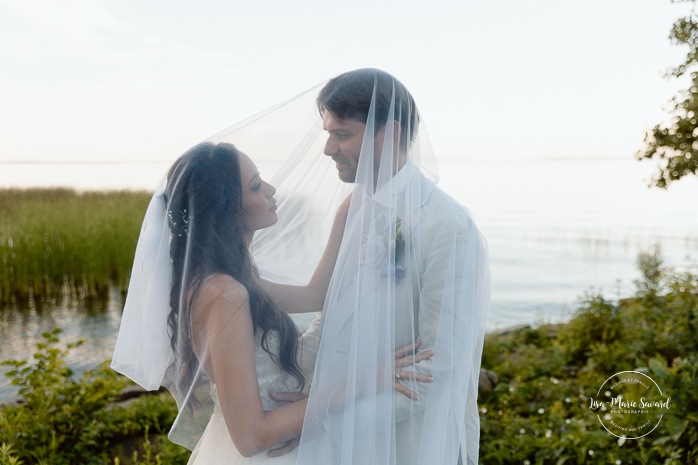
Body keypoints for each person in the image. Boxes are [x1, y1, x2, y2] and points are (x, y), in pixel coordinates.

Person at [110, 138, 430, 463]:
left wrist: (347, 212)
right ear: (226, 209)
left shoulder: (232, 278)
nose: (271, 189)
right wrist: (364, 381)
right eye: (255, 186)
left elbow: (315, 294)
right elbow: (250, 437)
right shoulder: (224, 294)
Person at [265, 69, 490, 465]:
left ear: (391, 134)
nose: (328, 149)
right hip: (343, 437)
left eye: (342, 134)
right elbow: (334, 315)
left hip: (411, 444)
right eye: (327, 134)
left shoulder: (449, 226)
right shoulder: (354, 210)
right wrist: (281, 383)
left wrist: (323, 420)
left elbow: (437, 370)